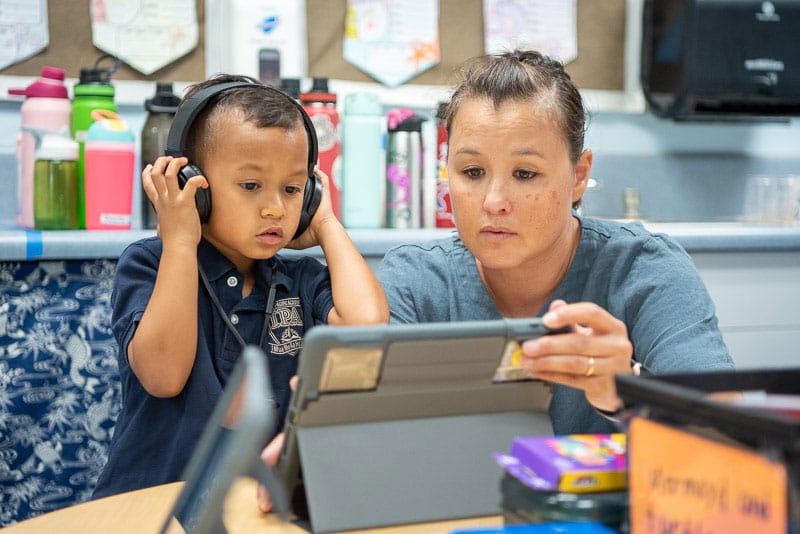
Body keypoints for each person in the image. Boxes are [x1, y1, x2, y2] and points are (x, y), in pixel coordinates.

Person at [376, 49, 734, 435]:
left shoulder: (645, 268)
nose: (494, 202)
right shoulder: (415, 282)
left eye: (525, 173)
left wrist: (627, 390)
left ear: (579, 175)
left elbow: (728, 430)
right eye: (472, 171)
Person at [92, 75, 389, 499]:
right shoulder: (150, 263)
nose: (275, 208)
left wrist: (325, 223)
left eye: (293, 190)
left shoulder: (299, 278)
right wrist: (179, 240)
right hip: (150, 504)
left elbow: (368, 330)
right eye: (251, 186)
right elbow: (163, 376)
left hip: (258, 506)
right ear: (191, 185)